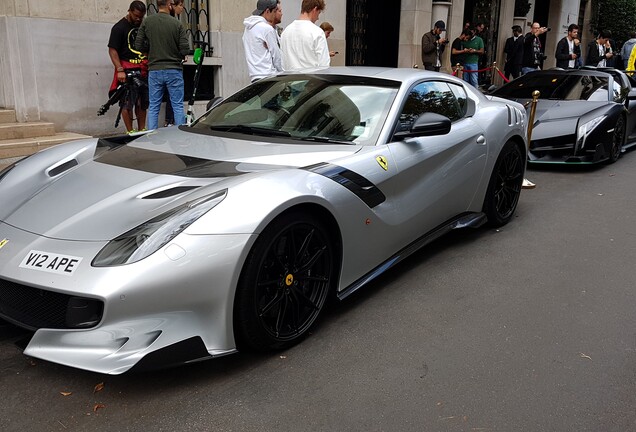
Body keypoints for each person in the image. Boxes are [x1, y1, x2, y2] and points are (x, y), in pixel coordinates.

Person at [134, 0, 189, 131]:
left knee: (153, 106)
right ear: (169, 4)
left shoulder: (147, 21)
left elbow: (138, 44)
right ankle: (179, 134)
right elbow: (185, 49)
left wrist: (150, 50)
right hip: (174, 69)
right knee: (177, 105)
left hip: (154, 69)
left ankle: (151, 134)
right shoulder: (177, 24)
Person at [107, 1, 148, 134]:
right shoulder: (119, 28)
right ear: (129, 11)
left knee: (142, 102)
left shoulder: (143, 25)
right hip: (126, 69)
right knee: (127, 102)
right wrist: (119, 70)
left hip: (142, 69)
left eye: (141, 17)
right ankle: (130, 131)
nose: (138, 19)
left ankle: (142, 129)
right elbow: (112, 50)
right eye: (136, 16)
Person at [280, 0, 329, 71]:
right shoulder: (317, 32)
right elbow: (324, 65)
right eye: (319, 13)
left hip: (289, 79)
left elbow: (283, 63)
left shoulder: (286, 32)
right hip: (311, 80)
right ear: (315, 9)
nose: (318, 18)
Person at [243, 0, 284, 82]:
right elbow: (276, 57)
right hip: (269, 76)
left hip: (254, 77)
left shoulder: (247, 29)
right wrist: (283, 74)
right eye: (275, 11)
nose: (275, 14)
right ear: (267, 11)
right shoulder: (266, 29)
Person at [164, 0, 186, 127]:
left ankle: (169, 121)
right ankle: (173, 123)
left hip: (160, 66)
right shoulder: (174, 24)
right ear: (172, 5)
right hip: (172, 65)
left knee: (159, 101)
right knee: (176, 99)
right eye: (180, 5)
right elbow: (183, 47)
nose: (182, 8)